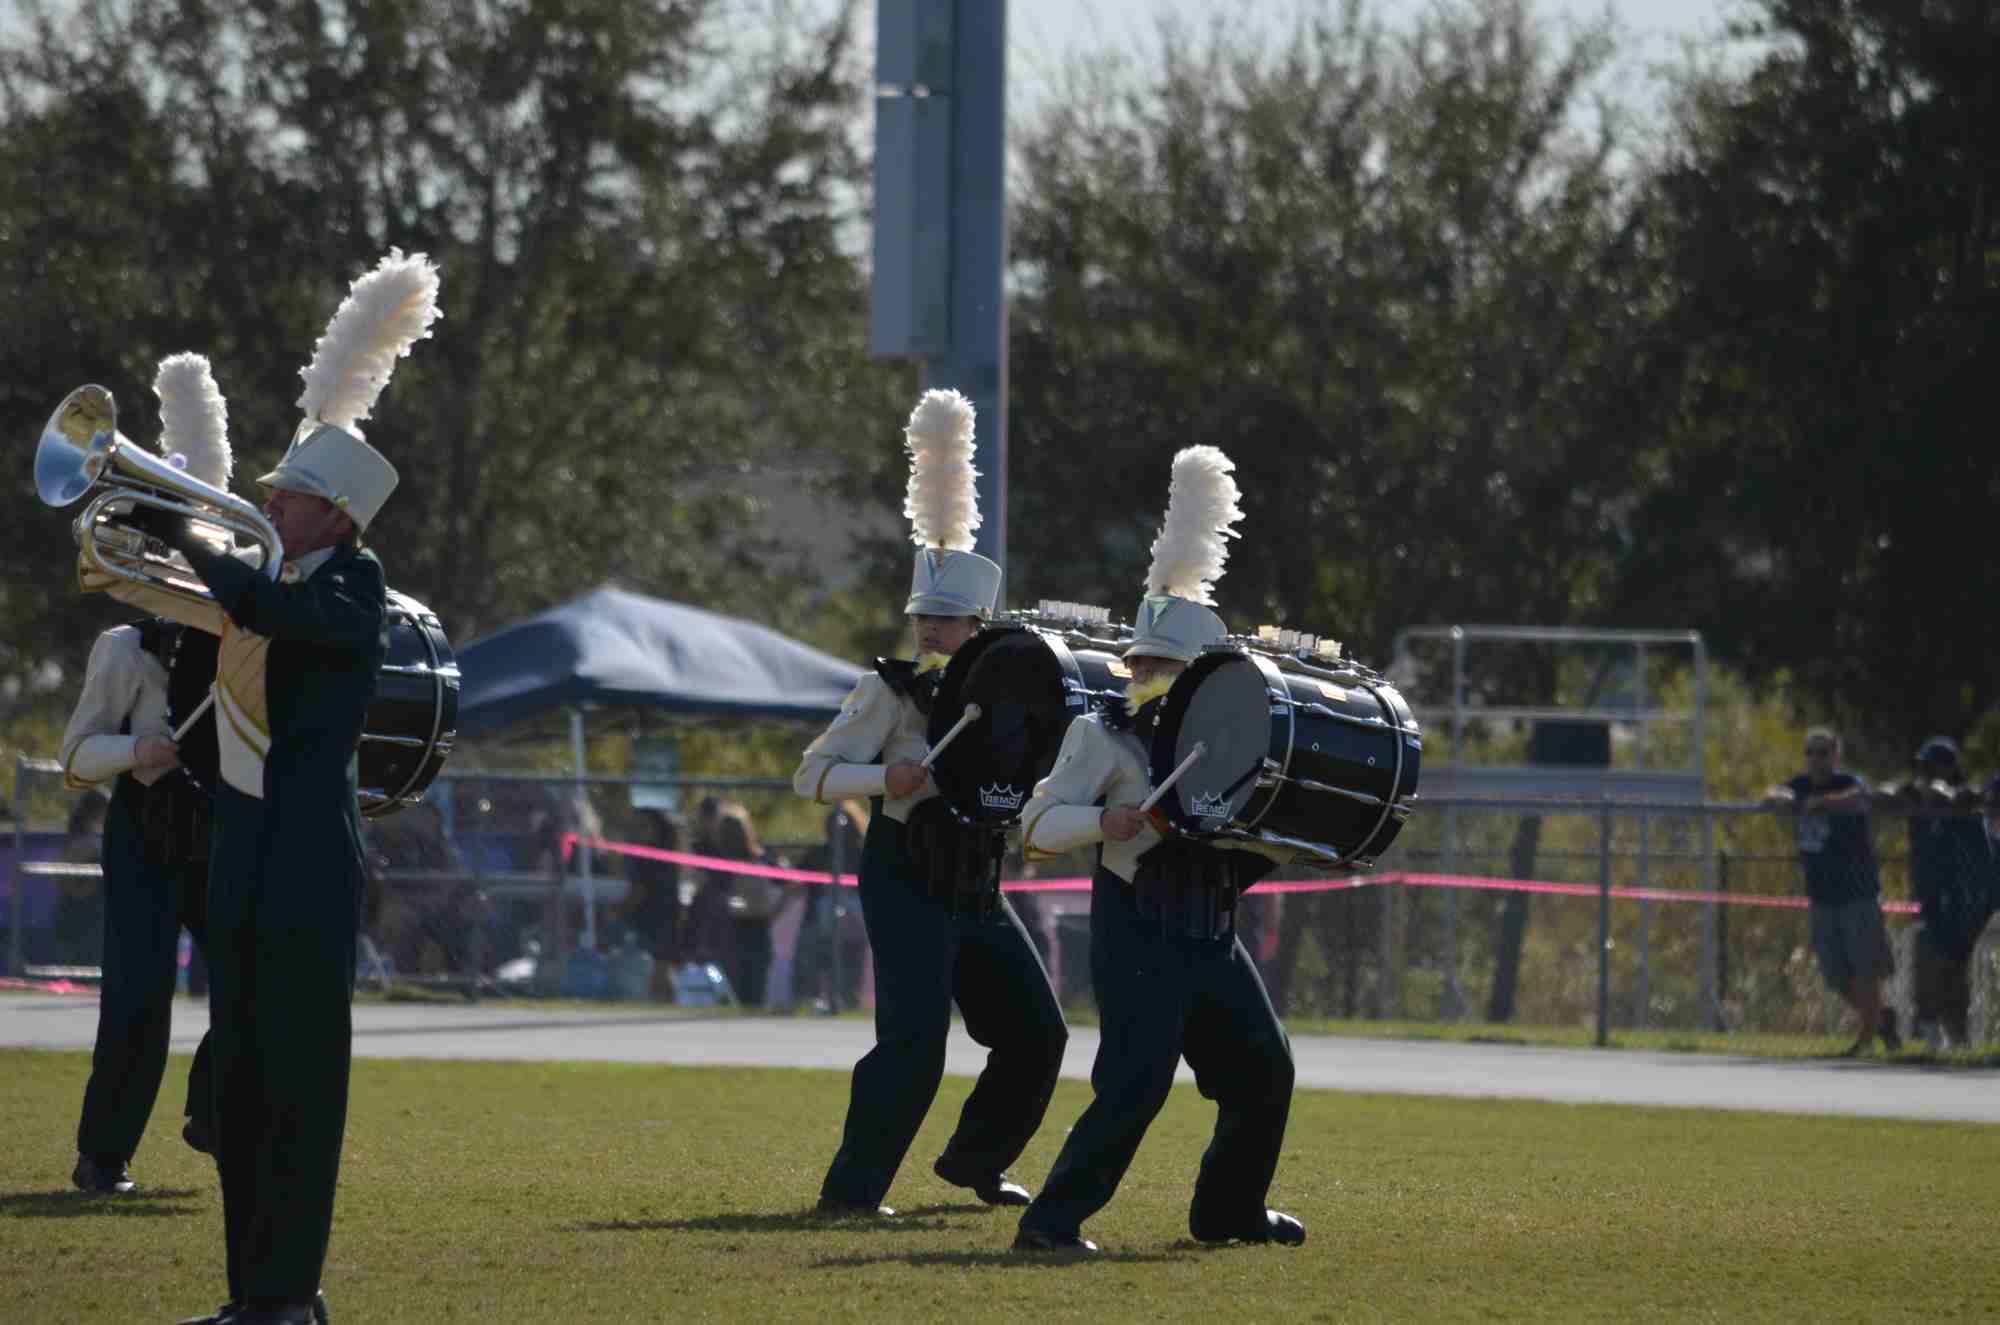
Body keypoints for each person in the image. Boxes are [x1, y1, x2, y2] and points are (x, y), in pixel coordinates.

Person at [103, 249, 438, 1325]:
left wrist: (189, 535)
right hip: (241, 848)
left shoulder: (354, 585)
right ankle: (253, 1294)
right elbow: (211, 623)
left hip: (306, 860)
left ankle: (290, 1292)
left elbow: (274, 612)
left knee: (298, 1085)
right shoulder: (271, 574)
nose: (268, 505)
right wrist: (159, 537)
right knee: (243, 1084)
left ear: (334, 513)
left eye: (286, 497)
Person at [1012, 446, 1301, 1255]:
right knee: (1135, 1084)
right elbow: (1034, 826)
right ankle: (1049, 1223)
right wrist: (1104, 823)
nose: (1147, 673)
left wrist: (1292, 845)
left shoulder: (1234, 745)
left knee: (1264, 1070)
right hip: (1137, 928)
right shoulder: (1101, 734)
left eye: (1167, 664)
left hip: (1210, 930)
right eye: (1144, 660)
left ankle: (1229, 1212)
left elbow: (1235, 840)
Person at [793, 389, 1067, 1218]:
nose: (930, 630)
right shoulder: (890, 691)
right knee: (914, 1045)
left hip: (977, 881)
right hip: (906, 872)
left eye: (947, 620)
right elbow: (812, 774)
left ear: (981, 625)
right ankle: (851, 1193)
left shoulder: (1008, 701)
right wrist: (889, 779)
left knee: (1037, 1032)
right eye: (924, 617)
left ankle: (976, 1160)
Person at [59, 353, 229, 1197]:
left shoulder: (239, 637)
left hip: (219, 828)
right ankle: (104, 1154)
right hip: (145, 833)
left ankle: (216, 1114)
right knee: (136, 1000)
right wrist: (138, 752)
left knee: (253, 982)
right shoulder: (124, 649)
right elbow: (75, 757)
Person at [1762, 727, 1901, 1056]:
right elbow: (1771, 794)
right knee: (1836, 975)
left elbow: (1862, 797)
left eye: (1823, 752)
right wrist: (1787, 799)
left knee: (1865, 970)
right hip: (1821, 896)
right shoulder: (1801, 785)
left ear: (1835, 755)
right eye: (1810, 752)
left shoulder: (1846, 783)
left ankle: (1866, 1040)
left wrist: (1823, 803)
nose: (1816, 759)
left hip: (1857, 893)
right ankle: (1882, 1020)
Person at [1882, 738, 1996, 1048]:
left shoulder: (1963, 798)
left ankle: (1954, 1034)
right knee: (1931, 956)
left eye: (1933, 767)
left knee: (1952, 964)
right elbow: (1887, 793)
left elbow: (1959, 797)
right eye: (1923, 767)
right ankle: (1932, 1025)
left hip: (1962, 898)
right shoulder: (1917, 797)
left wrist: (1940, 793)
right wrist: (1898, 792)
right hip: (1929, 896)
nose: (1926, 773)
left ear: (1949, 767)